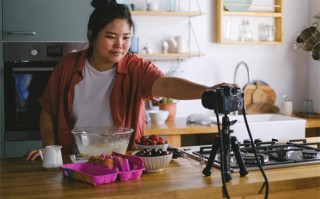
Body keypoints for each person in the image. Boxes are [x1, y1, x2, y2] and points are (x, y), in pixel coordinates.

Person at [23, 0, 229, 160]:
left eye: (126, 37)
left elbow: (166, 84)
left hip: (123, 163)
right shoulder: (68, 66)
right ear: (92, 35)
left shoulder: (136, 67)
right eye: (111, 36)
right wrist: (49, 149)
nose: (119, 45)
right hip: (75, 160)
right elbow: (48, 111)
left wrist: (207, 91)